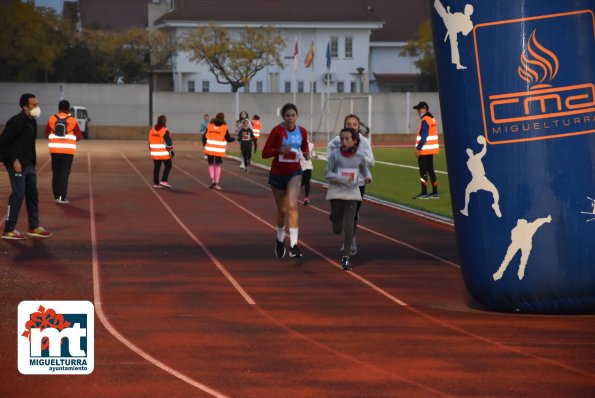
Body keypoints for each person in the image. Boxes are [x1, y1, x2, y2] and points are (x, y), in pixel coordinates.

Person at [0, 93, 52, 240]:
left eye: (37, 104)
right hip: (16, 165)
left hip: (29, 164)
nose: (37, 108)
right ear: (24, 107)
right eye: (34, 105)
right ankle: (8, 229)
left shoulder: (32, 122)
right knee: (18, 195)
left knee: (32, 194)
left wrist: (31, 161)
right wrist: (14, 160)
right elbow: (3, 144)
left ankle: (33, 226)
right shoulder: (15, 122)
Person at [262, 103, 310, 259]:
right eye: (287, 115)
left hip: (294, 172)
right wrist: (279, 150)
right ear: (283, 116)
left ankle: (294, 245)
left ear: (297, 116)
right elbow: (264, 153)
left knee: (292, 205)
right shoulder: (277, 131)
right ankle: (280, 240)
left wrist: (306, 153)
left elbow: (304, 145)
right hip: (277, 174)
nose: (290, 118)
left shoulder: (302, 131)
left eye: (293, 115)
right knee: (282, 210)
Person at [327, 114, 375, 255]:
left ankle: (350, 240)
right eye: (348, 124)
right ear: (344, 126)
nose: (352, 126)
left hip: (357, 182)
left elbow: (372, 161)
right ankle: (335, 216)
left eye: (355, 124)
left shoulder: (364, 142)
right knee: (340, 213)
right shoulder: (337, 140)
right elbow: (329, 151)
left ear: (358, 127)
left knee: (352, 214)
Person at [44, 99, 83, 204]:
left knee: (56, 174)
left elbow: (46, 133)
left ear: (59, 108)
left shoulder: (52, 118)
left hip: (55, 150)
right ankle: (61, 198)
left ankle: (57, 196)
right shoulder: (72, 120)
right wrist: (70, 139)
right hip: (68, 152)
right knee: (64, 174)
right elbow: (79, 136)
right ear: (68, 108)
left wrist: (55, 139)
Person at [493, 215, 552, 281]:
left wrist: (546, 219)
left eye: (522, 224)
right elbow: (513, 238)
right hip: (517, 242)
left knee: (524, 259)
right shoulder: (515, 230)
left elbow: (538, 222)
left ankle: (521, 271)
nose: (521, 226)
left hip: (526, 244)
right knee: (507, 258)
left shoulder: (530, 227)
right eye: (520, 224)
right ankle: (500, 272)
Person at [434, 0, 474, 70]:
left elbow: (464, 33)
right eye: (465, 8)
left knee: (454, 45)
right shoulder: (460, 15)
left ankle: (457, 64)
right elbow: (452, 17)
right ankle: (436, 3)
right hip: (451, 26)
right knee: (444, 15)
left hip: (453, 30)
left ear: (470, 12)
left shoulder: (469, 23)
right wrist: (449, 13)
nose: (465, 10)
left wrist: (459, 26)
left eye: (467, 9)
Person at [412, 101, 439, 199]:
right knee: (431, 171)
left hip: (424, 150)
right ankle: (435, 192)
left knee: (423, 171)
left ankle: (424, 193)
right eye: (418, 110)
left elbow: (424, 135)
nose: (418, 111)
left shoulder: (425, 120)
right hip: (431, 150)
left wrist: (418, 148)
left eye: (419, 109)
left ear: (425, 109)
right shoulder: (432, 119)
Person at [203, 112, 235, 190]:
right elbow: (228, 139)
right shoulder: (224, 127)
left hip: (210, 148)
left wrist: (204, 145)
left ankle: (212, 179)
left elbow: (204, 137)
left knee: (210, 164)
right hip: (218, 150)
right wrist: (234, 138)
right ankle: (216, 183)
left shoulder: (210, 126)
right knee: (217, 165)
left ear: (215, 117)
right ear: (223, 118)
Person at [148, 115, 174, 188]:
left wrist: (152, 149)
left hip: (154, 153)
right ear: (164, 121)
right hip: (164, 153)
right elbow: (168, 143)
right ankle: (164, 180)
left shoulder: (152, 130)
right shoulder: (165, 131)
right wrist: (171, 151)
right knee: (168, 165)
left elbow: (149, 142)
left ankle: (156, 183)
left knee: (156, 167)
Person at [300, 134, 316, 205]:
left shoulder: (311, 145)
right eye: (305, 135)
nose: (307, 136)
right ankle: (297, 188)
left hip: (308, 166)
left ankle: (306, 198)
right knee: (302, 181)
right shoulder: (299, 144)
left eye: (307, 135)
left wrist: (314, 156)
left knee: (307, 181)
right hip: (300, 165)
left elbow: (312, 154)